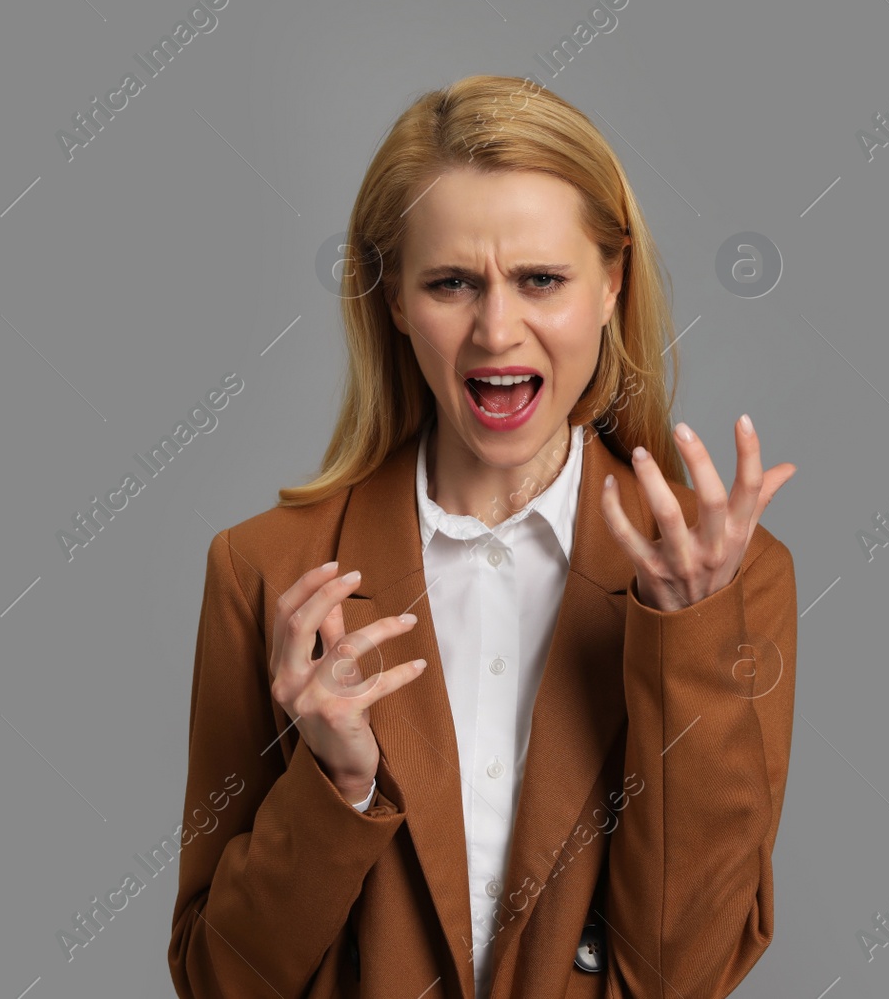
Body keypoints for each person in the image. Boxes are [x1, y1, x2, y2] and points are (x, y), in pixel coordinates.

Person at [168, 74, 800, 999]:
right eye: (451, 282)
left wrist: (684, 633)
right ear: (392, 300)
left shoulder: (731, 581)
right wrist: (334, 784)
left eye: (541, 279)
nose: (497, 330)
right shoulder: (265, 571)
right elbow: (221, 981)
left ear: (613, 283)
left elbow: (683, 974)